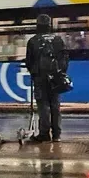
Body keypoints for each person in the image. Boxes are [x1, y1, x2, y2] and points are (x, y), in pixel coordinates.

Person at [25, 14, 69, 144]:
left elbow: (29, 62)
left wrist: (34, 74)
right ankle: (57, 135)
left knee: (43, 106)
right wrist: (60, 74)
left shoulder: (33, 41)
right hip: (56, 78)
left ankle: (44, 134)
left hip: (40, 78)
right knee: (55, 105)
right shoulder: (58, 40)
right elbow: (65, 59)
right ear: (50, 26)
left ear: (38, 26)